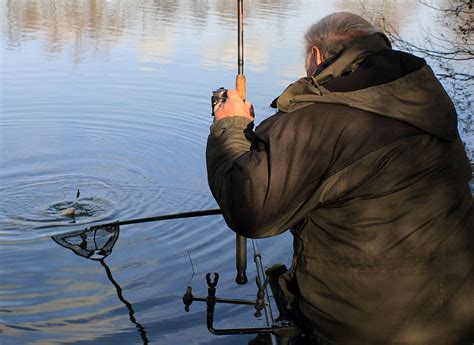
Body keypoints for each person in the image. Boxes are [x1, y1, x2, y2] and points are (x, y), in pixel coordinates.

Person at [206, 12, 474, 345]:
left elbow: (248, 207)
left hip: (360, 332)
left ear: (317, 55)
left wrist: (230, 125)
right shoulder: (424, 99)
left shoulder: (322, 119)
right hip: (453, 321)